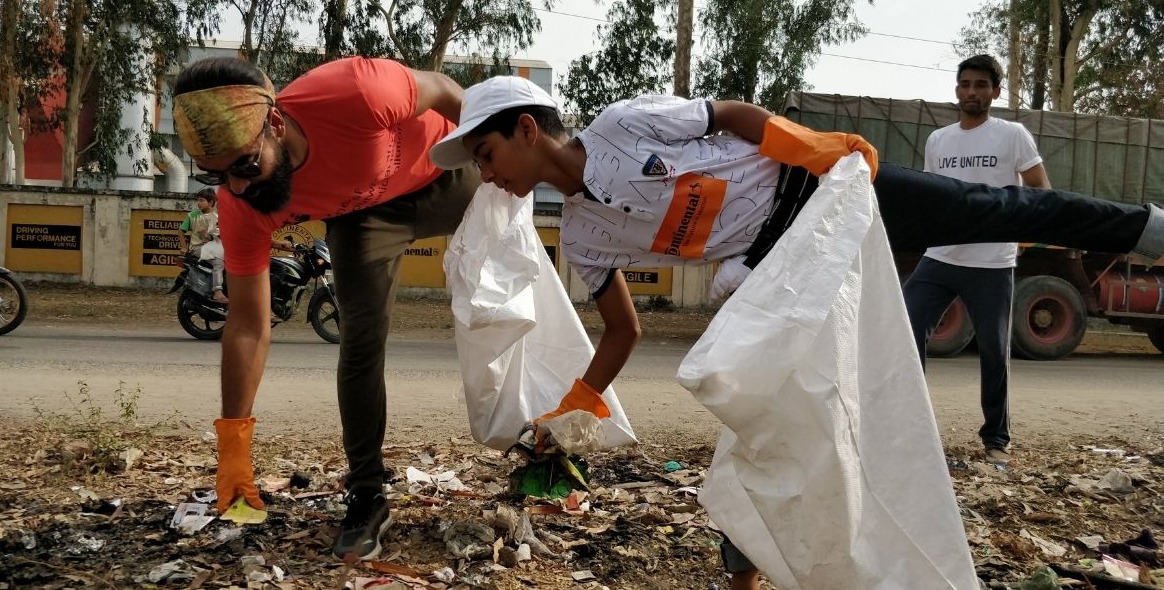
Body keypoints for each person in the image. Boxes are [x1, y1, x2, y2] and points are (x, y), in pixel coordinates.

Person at [427, 76, 1163, 590]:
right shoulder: (583, 238)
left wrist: (804, 143)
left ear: (526, 130)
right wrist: (576, 405)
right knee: (766, 426)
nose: (488, 178)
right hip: (781, 271)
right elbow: (622, 329)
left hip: (823, 195)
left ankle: (1146, 227)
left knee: (991, 210)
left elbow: (728, 117)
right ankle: (744, 578)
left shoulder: (622, 126)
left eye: (487, 156)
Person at [170, 56, 479, 560]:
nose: (240, 188)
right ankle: (366, 493)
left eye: (247, 165)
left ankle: (551, 445)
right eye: (217, 176)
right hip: (365, 216)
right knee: (360, 340)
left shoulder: (354, 92)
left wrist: (498, 155)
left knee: (522, 300)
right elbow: (248, 325)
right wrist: (233, 444)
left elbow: (445, 89)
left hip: (450, 171)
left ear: (275, 123)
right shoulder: (241, 204)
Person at [903, 54, 1046, 466]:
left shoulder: (1012, 135)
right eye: (965, 84)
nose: (972, 92)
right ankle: (911, 427)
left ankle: (996, 439)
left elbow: (1039, 188)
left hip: (992, 261)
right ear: (956, 91)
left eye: (981, 85)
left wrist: (1022, 234)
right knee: (905, 331)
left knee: (993, 350)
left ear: (995, 92)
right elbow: (933, 195)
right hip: (941, 256)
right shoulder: (938, 140)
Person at [177, 187, 229, 303]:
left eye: (201, 200)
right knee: (218, 262)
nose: (198, 203)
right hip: (198, 248)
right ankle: (217, 292)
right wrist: (183, 246)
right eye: (198, 200)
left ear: (210, 202)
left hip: (213, 247)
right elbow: (181, 231)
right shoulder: (193, 216)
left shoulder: (217, 218)